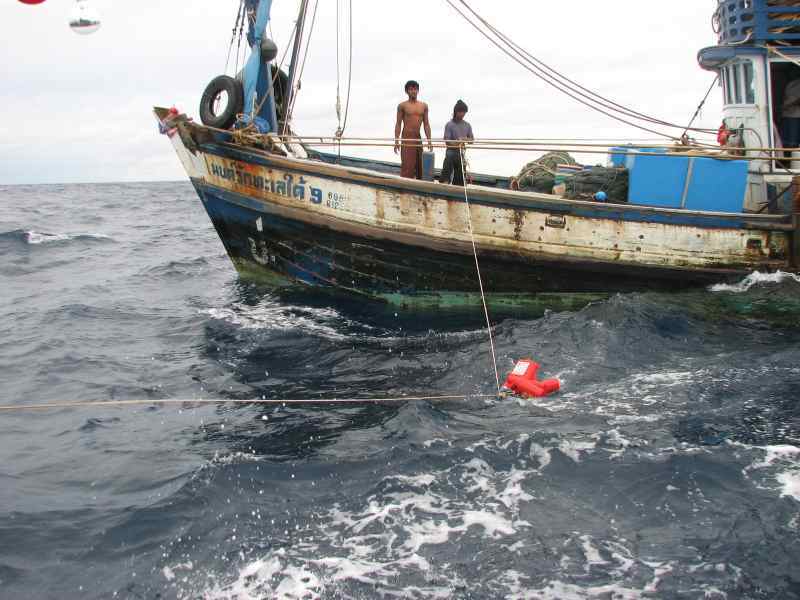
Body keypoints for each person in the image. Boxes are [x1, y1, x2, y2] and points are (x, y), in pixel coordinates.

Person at [394, 80, 433, 179]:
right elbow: (398, 124)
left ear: (418, 90)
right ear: (407, 91)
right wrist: (396, 141)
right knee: (407, 165)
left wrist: (429, 140)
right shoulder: (402, 105)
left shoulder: (423, 106)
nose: (413, 91)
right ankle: (404, 187)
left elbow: (426, 124)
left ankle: (419, 187)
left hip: (417, 137)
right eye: (411, 89)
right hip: (406, 138)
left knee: (420, 164)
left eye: (415, 89)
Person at [440, 99, 474, 186]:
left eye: (464, 112)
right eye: (461, 112)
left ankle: (459, 185)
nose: (462, 114)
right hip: (451, 151)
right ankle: (445, 182)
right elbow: (447, 141)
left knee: (460, 175)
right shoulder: (449, 124)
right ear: (456, 112)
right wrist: (457, 142)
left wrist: (464, 139)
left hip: (461, 152)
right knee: (449, 158)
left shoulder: (467, 125)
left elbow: (472, 140)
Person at [782, 77, 800, 149]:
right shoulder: (790, 84)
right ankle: (787, 157)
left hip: (796, 115)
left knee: (793, 140)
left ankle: (793, 157)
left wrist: (789, 104)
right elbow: (785, 97)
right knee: (786, 140)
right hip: (786, 114)